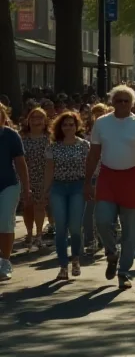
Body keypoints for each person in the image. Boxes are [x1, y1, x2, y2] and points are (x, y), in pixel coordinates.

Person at [84, 86, 135, 290]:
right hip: (108, 177)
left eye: (126, 101)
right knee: (102, 220)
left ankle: (124, 271)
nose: (122, 104)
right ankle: (111, 252)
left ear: (132, 103)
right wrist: (88, 181)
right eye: (118, 100)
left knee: (131, 231)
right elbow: (93, 154)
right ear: (112, 102)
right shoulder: (102, 123)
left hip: (133, 178)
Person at [43, 111, 91, 281]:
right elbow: (49, 170)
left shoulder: (85, 145)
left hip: (78, 186)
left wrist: (89, 186)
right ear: (59, 127)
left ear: (76, 126)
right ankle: (63, 265)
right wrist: (46, 190)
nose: (68, 127)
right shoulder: (53, 147)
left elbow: (89, 168)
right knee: (61, 227)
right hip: (58, 188)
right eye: (65, 125)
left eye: (71, 124)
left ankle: (76, 259)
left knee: (75, 227)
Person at [0, 103, 30, 281]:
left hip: (8, 185)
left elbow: (20, 163)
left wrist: (27, 188)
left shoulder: (11, 135)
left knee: (5, 222)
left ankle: (5, 261)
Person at [20, 107, 49, 251]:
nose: (36, 120)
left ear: (45, 121)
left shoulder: (49, 139)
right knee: (27, 207)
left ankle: (38, 235)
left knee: (40, 206)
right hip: (26, 177)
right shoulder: (22, 138)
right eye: (33, 118)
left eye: (39, 118)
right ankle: (29, 233)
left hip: (43, 177)